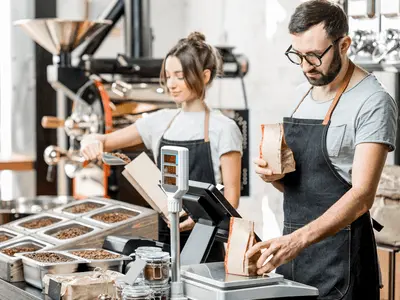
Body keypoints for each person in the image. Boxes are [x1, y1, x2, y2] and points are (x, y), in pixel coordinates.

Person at [247, 1, 398, 299]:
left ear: (344, 45)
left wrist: (297, 241)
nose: (305, 66)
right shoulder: (300, 96)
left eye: (315, 56)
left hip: (343, 264)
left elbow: (361, 196)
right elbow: (306, 189)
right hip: (295, 259)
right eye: (298, 55)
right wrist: (274, 175)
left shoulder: (373, 102)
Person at [80, 31, 243, 262]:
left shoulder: (223, 128)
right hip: (161, 244)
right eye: (168, 76)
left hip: (206, 244)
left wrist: (200, 219)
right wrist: (90, 142)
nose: (171, 84)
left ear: (205, 76)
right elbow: (103, 140)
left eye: (180, 75)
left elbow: (231, 199)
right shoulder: (160, 122)